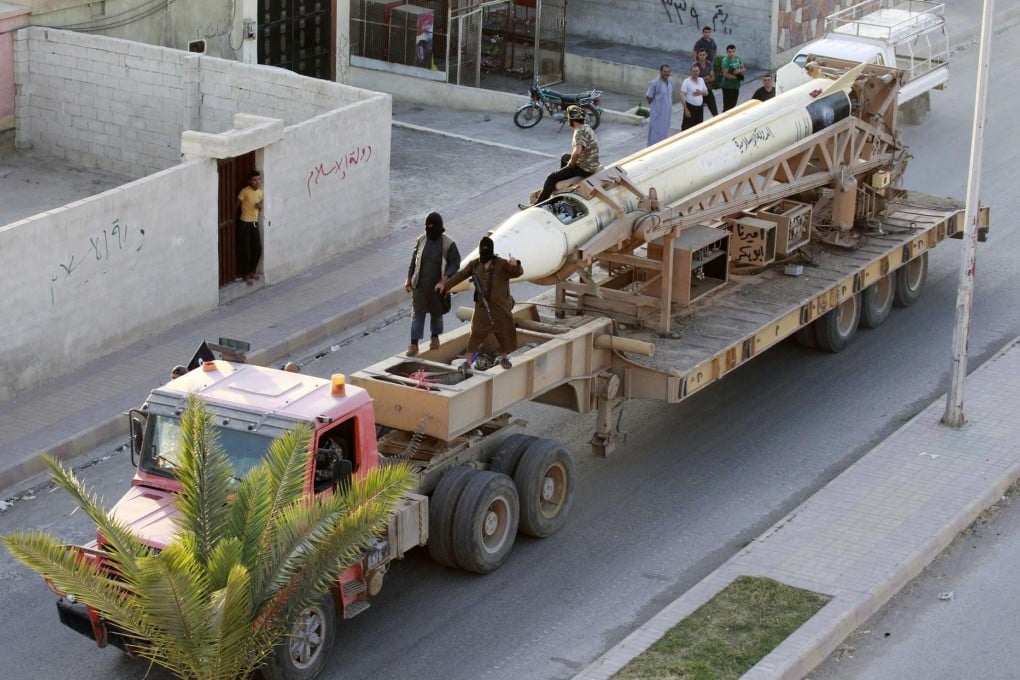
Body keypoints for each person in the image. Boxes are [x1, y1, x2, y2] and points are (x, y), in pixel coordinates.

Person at [440, 236, 523, 370]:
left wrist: (515, 264)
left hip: (500, 307)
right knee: (475, 334)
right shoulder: (475, 265)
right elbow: (461, 275)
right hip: (482, 306)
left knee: (504, 333)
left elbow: (517, 272)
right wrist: (445, 286)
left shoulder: (502, 264)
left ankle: (504, 357)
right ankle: (468, 362)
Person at [405, 212, 461, 357]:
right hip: (420, 286)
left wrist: (444, 281)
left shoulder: (448, 243)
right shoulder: (421, 240)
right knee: (417, 314)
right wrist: (409, 278)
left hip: (437, 288)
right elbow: (414, 260)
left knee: (436, 314)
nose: (429, 232)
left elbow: (454, 263)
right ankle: (414, 344)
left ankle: (435, 338)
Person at [522, 105, 600, 208]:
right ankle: (559, 184)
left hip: (585, 168)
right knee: (564, 157)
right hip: (592, 163)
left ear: (571, 120)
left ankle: (538, 204)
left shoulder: (579, 132)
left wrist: (571, 164)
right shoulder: (586, 127)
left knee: (551, 177)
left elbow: (577, 152)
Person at [236, 169, 264, 285]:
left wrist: (260, 206)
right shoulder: (245, 191)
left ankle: (252, 271)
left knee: (257, 249)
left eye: (258, 179)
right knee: (245, 250)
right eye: (254, 180)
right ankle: (246, 275)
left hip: (254, 223)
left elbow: (260, 206)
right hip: (245, 223)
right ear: (249, 181)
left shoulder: (261, 192)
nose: (257, 182)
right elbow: (236, 205)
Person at [645, 64, 674, 146]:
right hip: (657, 114)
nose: (666, 73)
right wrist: (655, 107)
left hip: (666, 115)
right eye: (665, 71)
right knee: (655, 134)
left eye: (668, 72)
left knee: (664, 133)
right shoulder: (655, 83)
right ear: (660, 72)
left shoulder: (670, 83)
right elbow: (649, 97)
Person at [691, 48, 719, 118]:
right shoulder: (695, 65)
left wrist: (701, 79)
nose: (702, 57)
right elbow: (694, 80)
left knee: (715, 112)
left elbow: (713, 78)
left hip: (708, 90)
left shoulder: (709, 64)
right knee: (699, 115)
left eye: (704, 55)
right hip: (699, 92)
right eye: (700, 55)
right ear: (698, 55)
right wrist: (706, 77)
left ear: (706, 55)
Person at [679, 64, 707, 131]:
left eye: (697, 71)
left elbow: (706, 93)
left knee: (698, 127)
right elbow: (682, 94)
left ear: (699, 71)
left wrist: (701, 92)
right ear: (691, 72)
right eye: (694, 71)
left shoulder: (701, 80)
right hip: (690, 107)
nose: (695, 73)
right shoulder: (686, 81)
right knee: (687, 128)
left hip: (700, 108)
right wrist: (686, 109)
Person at [719, 44, 745, 112]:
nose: (732, 53)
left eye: (733, 51)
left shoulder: (737, 58)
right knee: (727, 106)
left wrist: (739, 71)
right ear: (727, 52)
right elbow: (725, 74)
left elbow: (743, 68)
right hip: (727, 86)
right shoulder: (726, 61)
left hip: (736, 86)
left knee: (733, 104)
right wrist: (737, 77)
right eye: (730, 52)